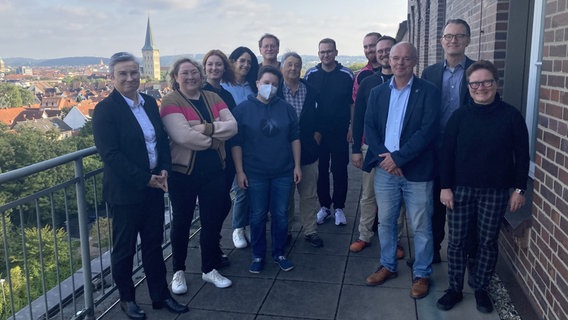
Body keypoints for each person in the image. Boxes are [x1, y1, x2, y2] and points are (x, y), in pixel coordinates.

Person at [92, 52, 188, 319]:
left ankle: (160, 295)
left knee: (154, 245)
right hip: (126, 192)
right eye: (123, 73)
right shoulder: (105, 110)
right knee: (124, 249)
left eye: (134, 72)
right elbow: (111, 156)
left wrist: (165, 170)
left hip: (155, 186)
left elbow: (160, 141)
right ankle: (127, 299)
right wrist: (146, 179)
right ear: (111, 77)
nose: (130, 78)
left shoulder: (148, 102)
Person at [436, 60, 529, 313]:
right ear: (469, 87)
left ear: (495, 83)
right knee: (456, 242)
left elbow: (522, 155)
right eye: (475, 83)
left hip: (496, 191)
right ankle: (454, 288)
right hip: (460, 190)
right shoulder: (459, 117)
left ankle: (480, 288)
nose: (481, 87)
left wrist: (520, 189)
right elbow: (446, 154)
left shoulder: (511, 116)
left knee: (487, 242)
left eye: (486, 82)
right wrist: (445, 187)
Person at [363, 42, 439, 300]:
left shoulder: (428, 91)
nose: (400, 63)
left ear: (415, 61)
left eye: (406, 58)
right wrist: (387, 160)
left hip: (416, 170)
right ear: (388, 60)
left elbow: (428, 130)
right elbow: (369, 128)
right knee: (386, 222)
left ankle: (422, 273)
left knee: (420, 225)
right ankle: (388, 265)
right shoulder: (377, 92)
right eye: (395, 58)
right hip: (385, 172)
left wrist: (399, 159)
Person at [160, 58, 237, 292]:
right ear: (175, 77)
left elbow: (233, 126)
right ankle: (178, 271)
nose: (191, 77)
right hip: (183, 173)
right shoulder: (170, 100)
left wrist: (202, 127)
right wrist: (215, 139)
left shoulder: (212, 97)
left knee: (212, 221)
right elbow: (182, 136)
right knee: (181, 223)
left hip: (214, 171)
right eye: (185, 73)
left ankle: (209, 269)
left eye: (194, 72)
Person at [231, 65, 301, 274]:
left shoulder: (286, 108)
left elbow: (294, 138)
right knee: (258, 214)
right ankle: (258, 255)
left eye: (274, 84)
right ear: (257, 83)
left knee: (280, 214)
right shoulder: (242, 109)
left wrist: (297, 166)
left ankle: (279, 253)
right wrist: (240, 171)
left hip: (282, 171)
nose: (270, 87)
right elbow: (237, 144)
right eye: (266, 83)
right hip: (255, 172)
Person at [421, 18, 476, 264]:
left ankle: (465, 254)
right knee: (433, 202)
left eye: (459, 36)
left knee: (463, 203)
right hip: (434, 147)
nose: (453, 40)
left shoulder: (477, 71)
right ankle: (433, 251)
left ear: (468, 40)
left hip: (465, 149)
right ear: (441, 41)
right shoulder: (429, 73)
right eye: (448, 36)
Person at [350, 36, 404, 259]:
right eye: (379, 51)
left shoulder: (406, 82)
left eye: (387, 50)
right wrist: (355, 149)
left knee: (396, 197)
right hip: (370, 148)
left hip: (397, 151)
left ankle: (396, 239)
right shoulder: (368, 82)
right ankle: (364, 235)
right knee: (368, 194)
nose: (382, 54)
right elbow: (359, 117)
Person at [304, 38, 354, 226]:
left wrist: (352, 127)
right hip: (318, 133)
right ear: (318, 54)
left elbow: (352, 103)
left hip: (340, 131)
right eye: (322, 52)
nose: (326, 55)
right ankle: (325, 206)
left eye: (329, 51)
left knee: (340, 169)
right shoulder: (311, 74)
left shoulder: (346, 74)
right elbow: (307, 105)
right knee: (320, 170)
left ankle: (339, 207)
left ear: (336, 52)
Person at [279, 51, 323, 248]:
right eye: (289, 64)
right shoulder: (274, 91)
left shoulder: (311, 90)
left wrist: (318, 133)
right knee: (285, 196)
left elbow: (322, 113)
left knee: (309, 194)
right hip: (282, 153)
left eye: (297, 65)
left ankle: (310, 230)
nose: (293, 68)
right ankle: (286, 230)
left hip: (308, 152)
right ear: (282, 67)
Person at [222, 46, 260, 249]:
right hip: (231, 144)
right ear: (233, 62)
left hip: (253, 144)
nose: (245, 65)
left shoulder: (253, 87)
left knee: (251, 188)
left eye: (249, 62)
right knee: (240, 188)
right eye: (242, 61)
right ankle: (237, 227)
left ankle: (247, 225)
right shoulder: (224, 87)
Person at [202, 50, 238, 253]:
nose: (214, 68)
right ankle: (212, 250)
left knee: (223, 203)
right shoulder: (199, 91)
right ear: (204, 67)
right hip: (209, 156)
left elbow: (233, 126)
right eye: (210, 64)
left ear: (224, 68)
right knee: (215, 205)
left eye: (218, 64)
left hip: (228, 155)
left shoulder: (226, 94)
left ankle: (214, 246)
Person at [352, 32, 381, 101]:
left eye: (372, 46)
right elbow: (355, 101)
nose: (368, 50)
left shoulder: (395, 70)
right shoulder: (362, 74)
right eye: (365, 47)